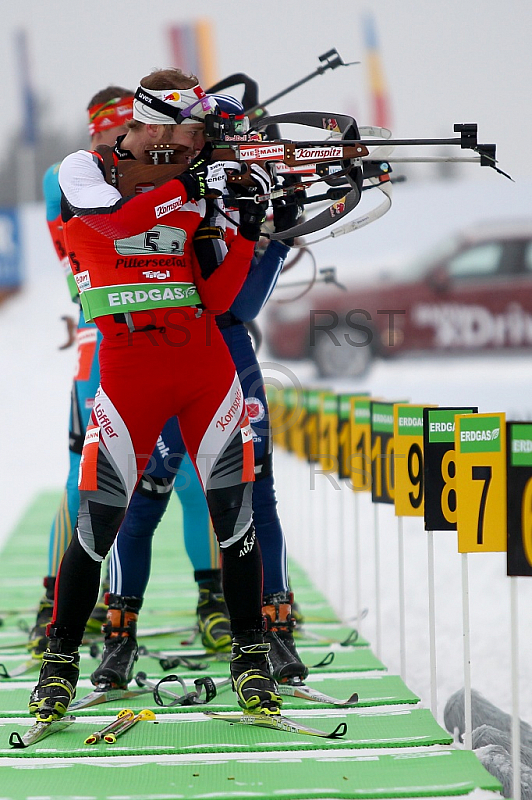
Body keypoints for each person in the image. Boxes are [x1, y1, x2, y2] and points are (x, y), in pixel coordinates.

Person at [28, 67, 282, 722]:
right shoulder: (84, 170)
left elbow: (219, 299)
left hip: (202, 365)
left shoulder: (197, 187)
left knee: (236, 514)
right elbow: (110, 228)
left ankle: (251, 656)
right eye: (187, 132)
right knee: (98, 522)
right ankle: (59, 661)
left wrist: (248, 228)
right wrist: (184, 188)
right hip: (128, 370)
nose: (196, 144)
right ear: (156, 128)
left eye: (200, 135)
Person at [99, 96, 307, 691]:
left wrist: (272, 228)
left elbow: (239, 306)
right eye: (194, 139)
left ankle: (276, 629)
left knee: (255, 496)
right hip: (159, 351)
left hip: (226, 356)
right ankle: (119, 634)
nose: (195, 149)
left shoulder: (225, 191)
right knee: (142, 501)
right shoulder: (147, 188)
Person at [29, 88, 136, 656]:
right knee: (84, 478)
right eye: (114, 134)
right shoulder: (69, 177)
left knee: (187, 479)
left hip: (151, 330)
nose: (121, 143)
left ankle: (210, 598)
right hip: (102, 337)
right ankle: (56, 603)